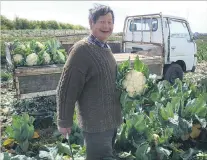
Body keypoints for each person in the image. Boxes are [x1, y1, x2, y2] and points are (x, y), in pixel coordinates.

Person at [56, 3, 122, 160]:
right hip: (96, 125)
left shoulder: (105, 48)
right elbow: (66, 89)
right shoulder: (82, 50)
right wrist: (64, 121)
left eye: (110, 22)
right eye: (102, 21)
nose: (107, 26)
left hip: (111, 122)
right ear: (91, 23)